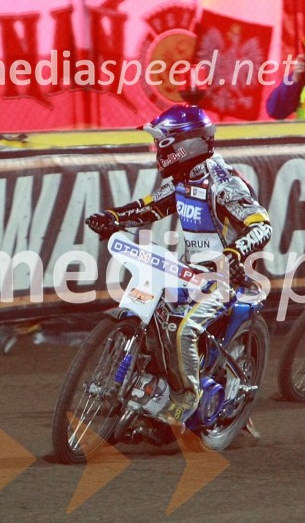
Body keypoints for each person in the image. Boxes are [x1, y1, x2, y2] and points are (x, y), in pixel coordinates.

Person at [86, 104, 272, 426]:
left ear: (185, 145)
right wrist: (113, 217)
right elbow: (151, 206)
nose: (158, 149)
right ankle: (150, 383)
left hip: (224, 278)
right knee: (154, 314)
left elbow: (261, 226)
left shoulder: (224, 184)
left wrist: (233, 254)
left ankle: (185, 400)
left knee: (183, 330)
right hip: (187, 272)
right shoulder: (184, 178)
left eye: (163, 143)